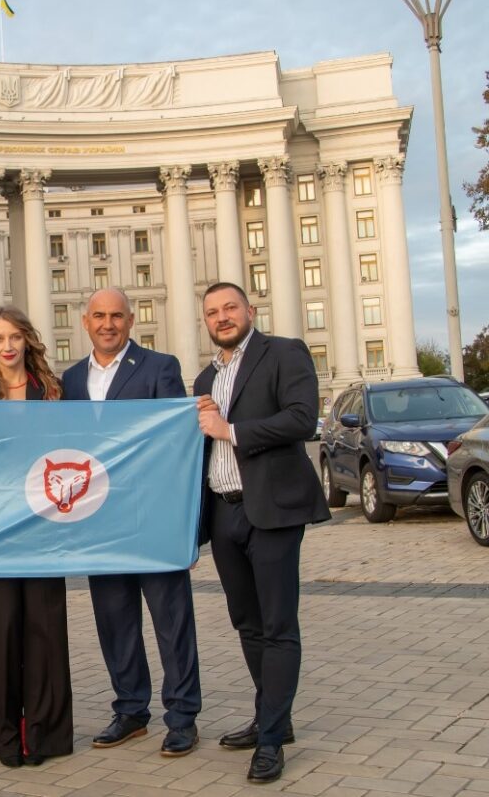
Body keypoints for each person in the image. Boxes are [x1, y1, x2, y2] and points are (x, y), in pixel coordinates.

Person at [194, 282, 330, 784]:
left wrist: (230, 430)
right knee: (247, 623)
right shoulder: (205, 378)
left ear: (250, 311)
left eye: (230, 307)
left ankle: (271, 741)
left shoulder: (285, 353)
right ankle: (274, 716)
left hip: (272, 511)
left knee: (278, 626)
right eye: (213, 312)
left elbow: (302, 419)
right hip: (224, 512)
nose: (222, 317)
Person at [61, 287, 202, 757]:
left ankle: (182, 717)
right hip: (99, 523)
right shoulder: (71, 379)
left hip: (152, 520)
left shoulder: (160, 368)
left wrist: (185, 525)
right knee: (115, 622)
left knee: (171, 622)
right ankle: (130, 710)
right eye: (99, 316)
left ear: (131, 320)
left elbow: (176, 445)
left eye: (117, 316)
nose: (108, 324)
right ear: (85, 322)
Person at [0, 305, 74, 768]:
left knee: (46, 633)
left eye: (14, 337)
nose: (7, 346)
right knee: (2, 633)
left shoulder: (53, 392)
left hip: (45, 531)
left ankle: (45, 737)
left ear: (27, 340)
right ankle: (6, 739)